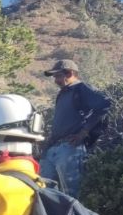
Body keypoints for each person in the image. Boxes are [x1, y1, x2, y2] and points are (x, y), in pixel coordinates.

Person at [39, 59, 111, 198]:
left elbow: (105, 105)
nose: (55, 80)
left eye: (58, 76)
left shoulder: (81, 88)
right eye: (54, 77)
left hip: (69, 148)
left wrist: (83, 133)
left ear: (70, 73)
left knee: (70, 193)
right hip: (54, 148)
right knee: (45, 192)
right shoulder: (63, 93)